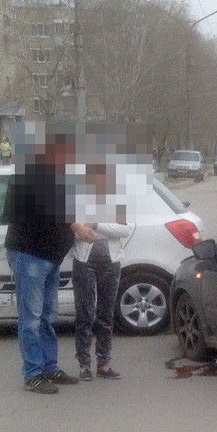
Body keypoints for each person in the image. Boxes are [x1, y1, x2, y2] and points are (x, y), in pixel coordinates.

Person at [4, 131, 79, 395]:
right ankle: (33, 374)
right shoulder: (24, 181)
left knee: (48, 317)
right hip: (30, 255)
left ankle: (50, 367)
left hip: (51, 258)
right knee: (31, 319)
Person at [70, 163, 132, 382]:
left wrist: (95, 224)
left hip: (111, 262)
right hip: (83, 262)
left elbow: (125, 229)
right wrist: (88, 228)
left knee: (106, 314)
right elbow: (74, 231)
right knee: (85, 314)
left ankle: (104, 363)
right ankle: (84, 364)